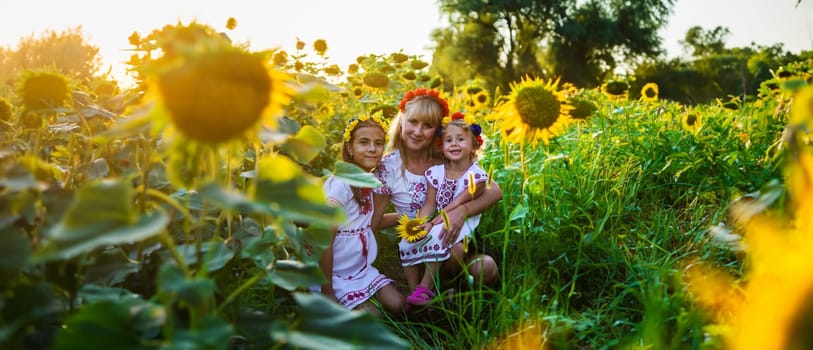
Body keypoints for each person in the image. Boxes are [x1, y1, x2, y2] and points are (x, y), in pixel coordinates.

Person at [372, 88, 502, 306]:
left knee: (484, 267)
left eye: (428, 125)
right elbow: (374, 221)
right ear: (402, 121)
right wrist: (409, 222)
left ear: (437, 131)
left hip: (458, 237)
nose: (418, 131)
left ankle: (460, 295)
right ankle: (431, 296)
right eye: (413, 122)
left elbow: (495, 191)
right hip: (420, 240)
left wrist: (461, 212)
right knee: (445, 251)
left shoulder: (447, 155)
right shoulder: (389, 166)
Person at [399, 111, 492, 305]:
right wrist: (420, 224)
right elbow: (430, 204)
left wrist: (434, 223)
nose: (454, 143)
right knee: (407, 241)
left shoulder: (476, 176)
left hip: (464, 227)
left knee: (443, 241)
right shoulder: (436, 173)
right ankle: (414, 291)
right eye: (449, 140)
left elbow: (456, 204)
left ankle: (426, 288)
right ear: (441, 147)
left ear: (474, 145)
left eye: (460, 139)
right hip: (440, 221)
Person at [318, 113, 405, 316]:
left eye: (378, 143)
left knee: (399, 304)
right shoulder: (341, 184)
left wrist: (407, 219)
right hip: (334, 272)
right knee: (372, 317)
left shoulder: (367, 181)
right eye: (364, 143)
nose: (373, 149)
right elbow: (324, 237)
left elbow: (365, 223)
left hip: (360, 270)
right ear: (349, 148)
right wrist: (327, 291)